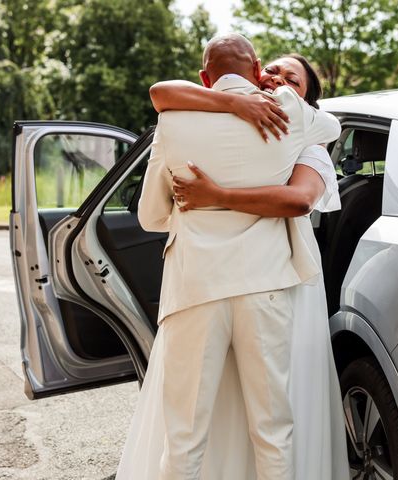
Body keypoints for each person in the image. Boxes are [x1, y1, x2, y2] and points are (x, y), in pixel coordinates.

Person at [117, 34, 342, 480]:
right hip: (266, 286)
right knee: (273, 428)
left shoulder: (174, 122)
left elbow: (150, 215)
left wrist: (208, 201)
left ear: (205, 77)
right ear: (256, 68)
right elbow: (332, 127)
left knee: (183, 435)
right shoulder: (293, 115)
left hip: (195, 287)